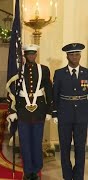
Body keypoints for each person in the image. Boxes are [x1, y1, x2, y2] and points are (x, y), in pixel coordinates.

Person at [6, 44, 53, 180]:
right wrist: (12, 111)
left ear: (36, 55)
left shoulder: (44, 69)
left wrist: (49, 110)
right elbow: (11, 91)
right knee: (25, 143)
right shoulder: (18, 71)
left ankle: (36, 170)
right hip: (22, 112)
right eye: (28, 54)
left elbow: (49, 90)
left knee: (37, 142)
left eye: (33, 54)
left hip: (39, 110)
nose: (31, 56)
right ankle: (27, 171)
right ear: (25, 55)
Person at [52, 43, 87, 180]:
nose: (75, 57)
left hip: (82, 116)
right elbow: (55, 95)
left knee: (80, 148)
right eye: (72, 54)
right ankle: (67, 176)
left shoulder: (86, 72)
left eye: (77, 54)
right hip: (64, 115)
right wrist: (55, 113)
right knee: (65, 148)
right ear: (67, 56)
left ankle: (78, 177)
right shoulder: (59, 73)